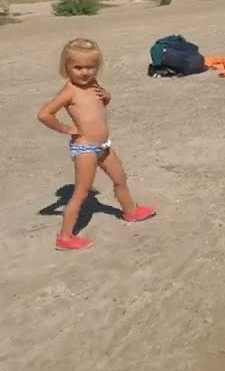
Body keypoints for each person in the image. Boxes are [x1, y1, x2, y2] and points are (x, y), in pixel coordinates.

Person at [37, 38, 156, 250]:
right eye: (78, 67)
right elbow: (44, 114)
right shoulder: (69, 91)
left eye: (90, 67)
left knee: (120, 178)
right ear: (66, 67)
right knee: (82, 192)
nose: (85, 72)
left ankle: (131, 211)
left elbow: (98, 105)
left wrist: (107, 96)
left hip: (103, 145)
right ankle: (64, 237)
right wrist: (67, 129)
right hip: (85, 148)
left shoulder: (92, 84)